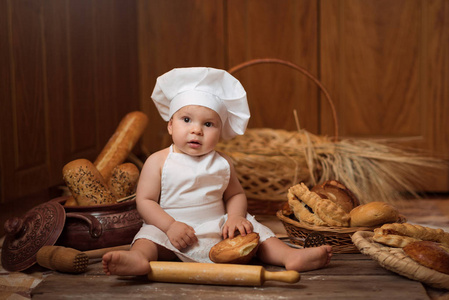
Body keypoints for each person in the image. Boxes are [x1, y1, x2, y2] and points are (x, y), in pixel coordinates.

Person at [102, 67, 332, 276]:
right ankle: (138, 259)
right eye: (186, 119)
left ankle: (290, 256)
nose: (196, 130)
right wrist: (170, 226)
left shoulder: (222, 162)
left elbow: (235, 195)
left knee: (257, 231)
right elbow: (145, 201)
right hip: (172, 231)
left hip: (219, 228)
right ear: (170, 125)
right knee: (148, 238)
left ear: (220, 131)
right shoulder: (158, 161)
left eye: (208, 124)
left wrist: (235, 217)